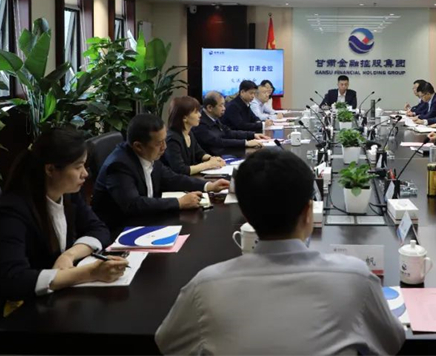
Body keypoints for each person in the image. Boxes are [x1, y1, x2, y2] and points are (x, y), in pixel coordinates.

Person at [155, 149, 405, 355]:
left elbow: (167, 345)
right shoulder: (355, 279)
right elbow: (392, 343)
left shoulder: (205, 287)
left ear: (246, 215)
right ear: (308, 212)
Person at [0, 128, 128, 319]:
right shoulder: (11, 212)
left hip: (50, 301)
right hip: (8, 313)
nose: (85, 174)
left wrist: (69, 255)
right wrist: (89, 273)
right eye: (78, 167)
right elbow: (15, 280)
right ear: (51, 169)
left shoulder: (67, 194)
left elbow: (99, 229)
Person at [92, 114, 229, 229]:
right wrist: (179, 203)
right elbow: (133, 205)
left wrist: (209, 186)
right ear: (138, 146)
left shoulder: (148, 154)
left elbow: (172, 178)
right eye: (159, 143)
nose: (164, 147)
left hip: (147, 219)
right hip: (122, 230)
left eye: (164, 141)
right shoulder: (119, 165)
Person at [163, 96, 226, 175]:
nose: (200, 115)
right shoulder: (172, 139)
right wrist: (208, 164)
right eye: (196, 112)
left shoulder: (189, 133)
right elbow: (181, 169)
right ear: (184, 118)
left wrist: (212, 159)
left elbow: (199, 153)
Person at [194, 91, 266, 155]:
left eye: (224, 105)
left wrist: (252, 135)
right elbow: (217, 142)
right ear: (210, 108)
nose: (224, 108)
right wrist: (245, 143)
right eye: (221, 105)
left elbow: (228, 132)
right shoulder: (200, 123)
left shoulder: (214, 118)